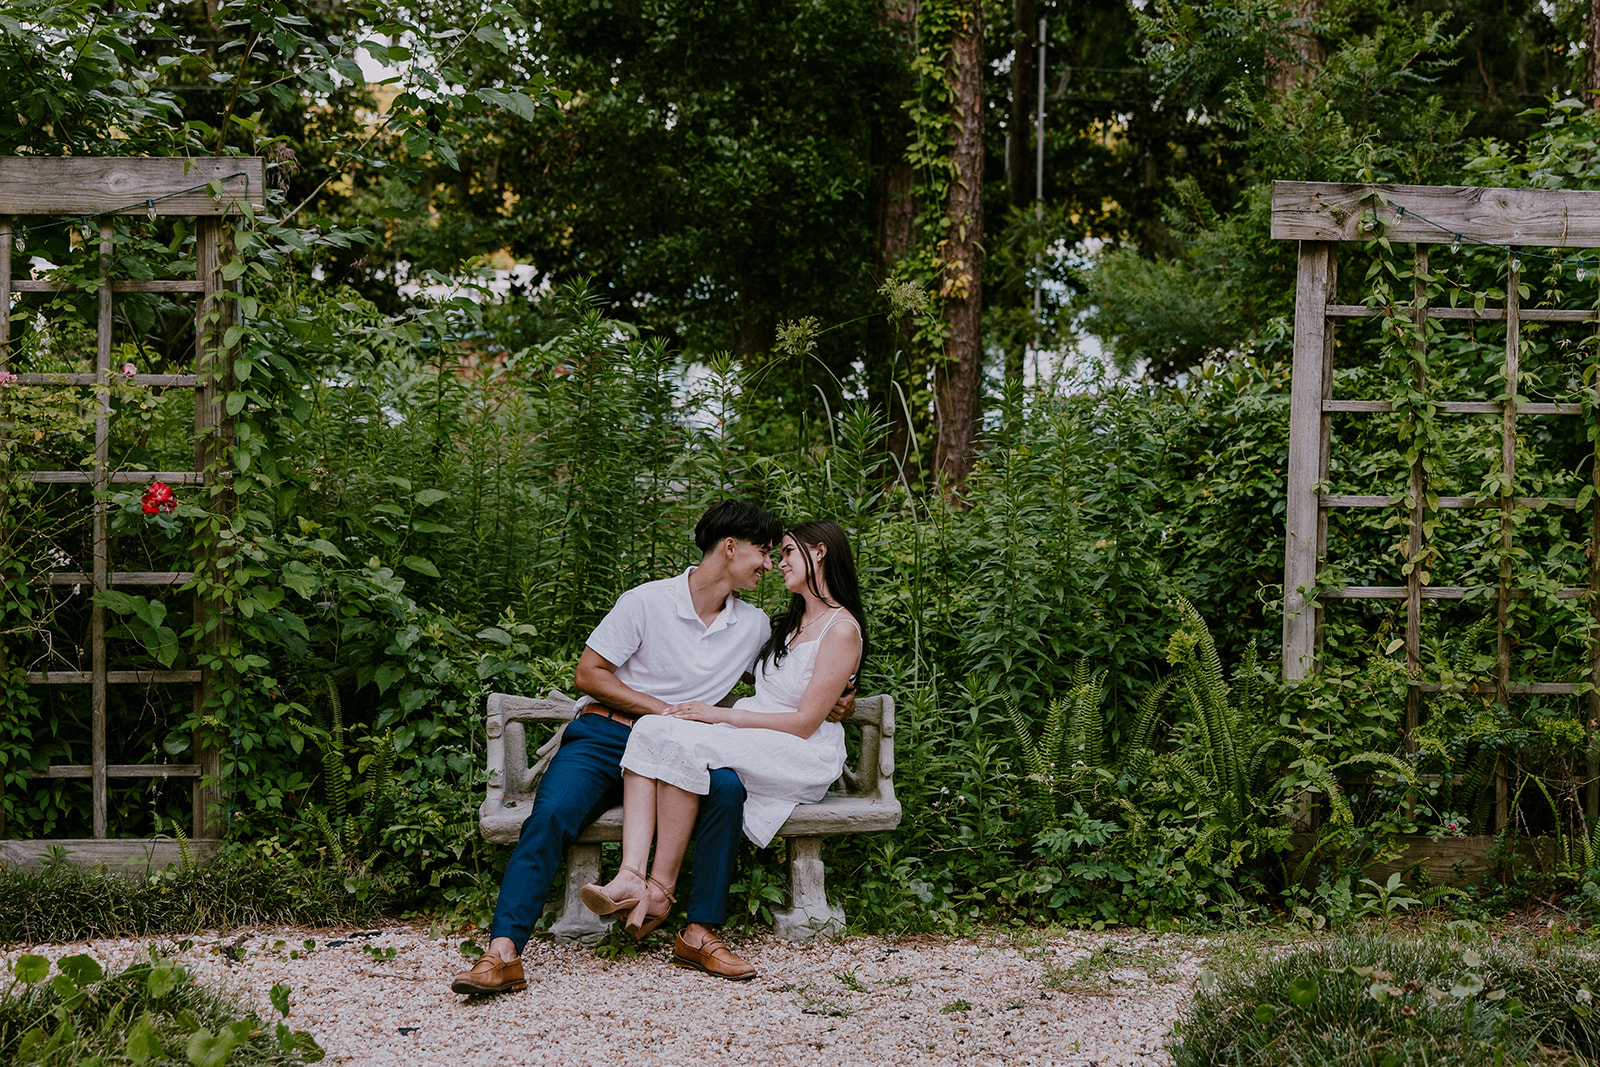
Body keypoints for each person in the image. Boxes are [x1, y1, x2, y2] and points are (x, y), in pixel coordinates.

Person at [450, 501, 851, 995]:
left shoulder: (752, 627)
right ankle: (503, 952)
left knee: (727, 790)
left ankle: (699, 932)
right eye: (764, 552)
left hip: (683, 748)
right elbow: (588, 675)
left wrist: (840, 700)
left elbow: (789, 679)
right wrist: (661, 711)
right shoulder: (646, 601)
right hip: (607, 734)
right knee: (551, 813)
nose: (769, 564)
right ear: (731, 547)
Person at [578, 520, 866, 981]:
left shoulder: (841, 629)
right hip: (758, 737)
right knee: (654, 727)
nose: (778, 563)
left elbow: (805, 721)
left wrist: (720, 714)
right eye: (775, 553)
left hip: (798, 750)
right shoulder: (789, 623)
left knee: (674, 734)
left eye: (788, 552)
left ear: (819, 555)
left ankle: (662, 888)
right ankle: (633, 875)